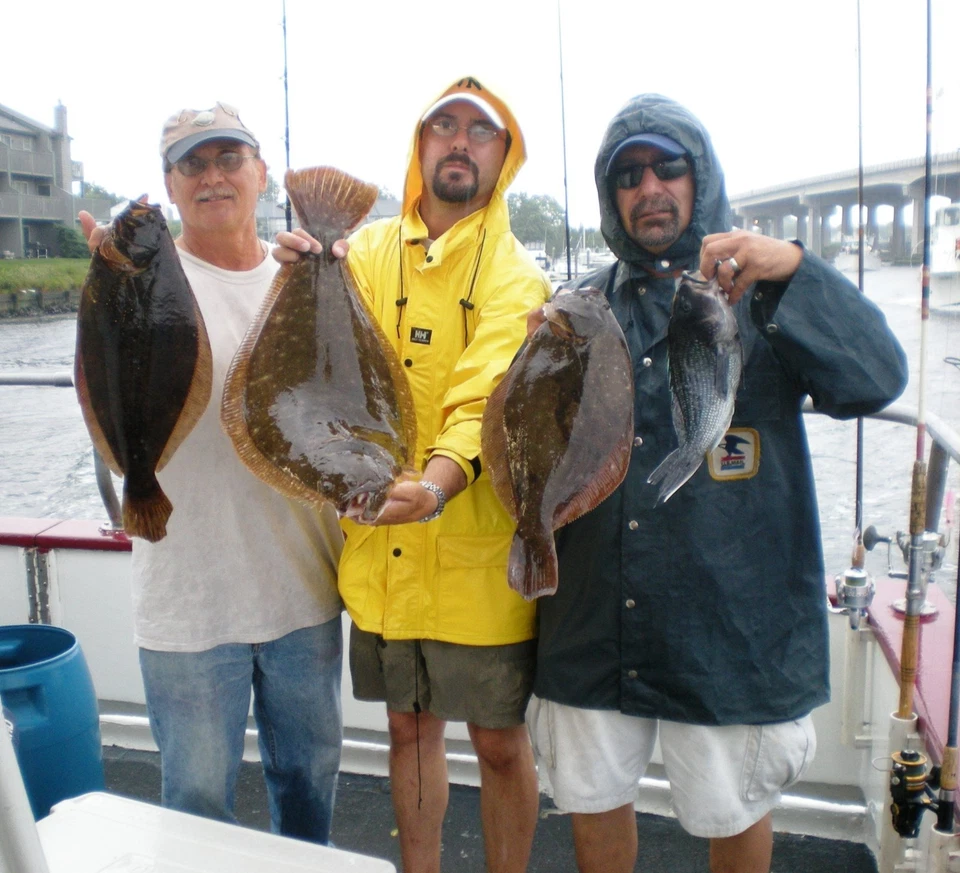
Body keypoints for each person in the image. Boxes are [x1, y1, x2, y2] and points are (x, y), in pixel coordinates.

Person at [526, 94, 909, 873]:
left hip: (726, 633)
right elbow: (530, 442)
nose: (650, 186)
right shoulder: (578, 310)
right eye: (628, 174)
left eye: (669, 166)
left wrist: (798, 269)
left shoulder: (764, 298)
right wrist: (538, 362)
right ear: (611, 196)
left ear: (702, 177)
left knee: (731, 810)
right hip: (593, 620)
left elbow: (876, 377)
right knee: (591, 800)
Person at [277, 77, 552, 873]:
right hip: (382, 546)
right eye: (445, 126)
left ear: (505, 155)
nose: (460, 142)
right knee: (409, 729)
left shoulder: (515, 275)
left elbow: (483, 402)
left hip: (473, 553)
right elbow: (312, 369)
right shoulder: (356, 253)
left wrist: (433, 486)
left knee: (499, 741)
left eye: (482, 131)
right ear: (420, 144)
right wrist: (292, 269)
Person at [79, 102, 345, 844]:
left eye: (230, 157)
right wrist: (103, 292)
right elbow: (107, 398)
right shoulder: (137, 275)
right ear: (168, 185)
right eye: (191, 163)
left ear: (262, 173)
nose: (213, 176)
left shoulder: (304, 275)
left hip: (304, 590)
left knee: (308, 785)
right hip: (187, 606)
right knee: (196, 804)